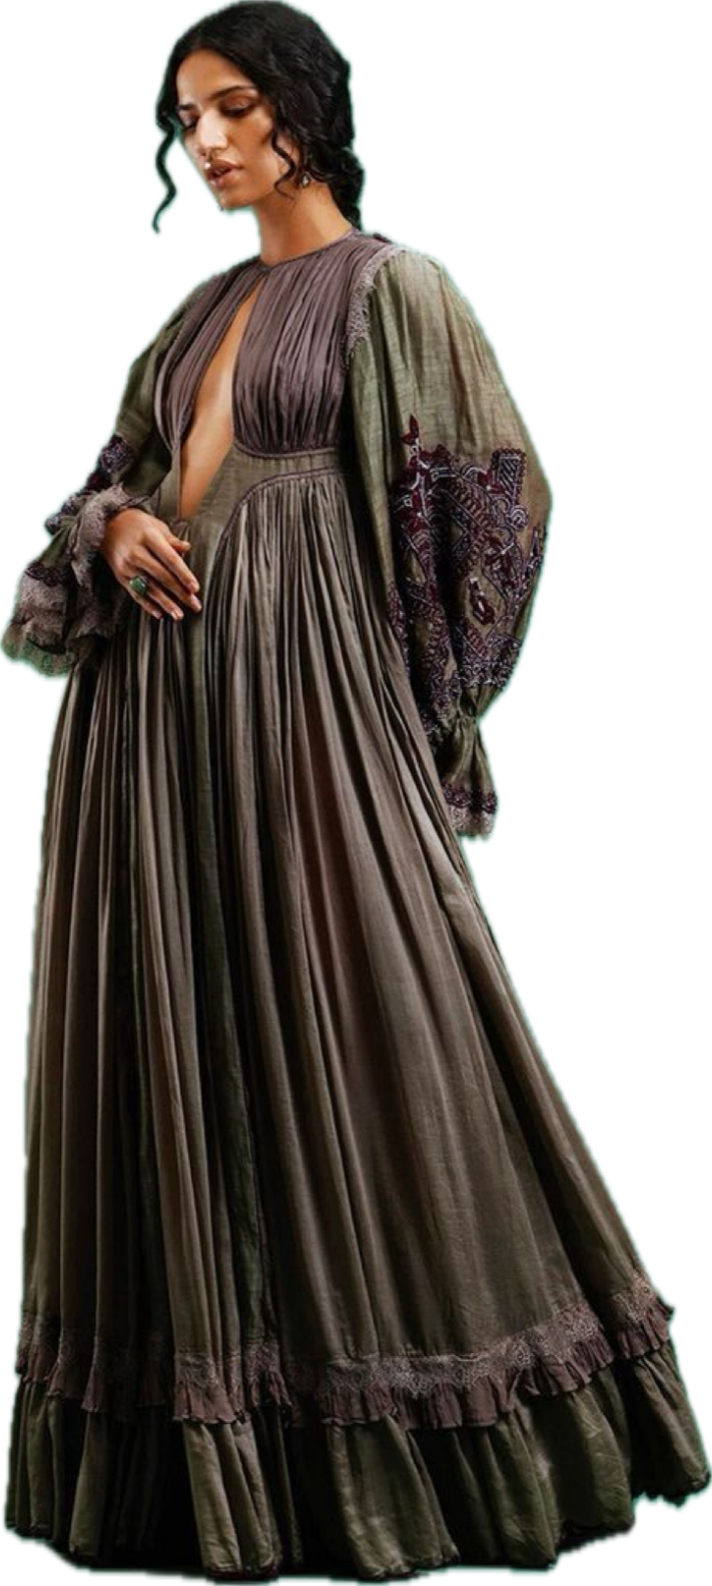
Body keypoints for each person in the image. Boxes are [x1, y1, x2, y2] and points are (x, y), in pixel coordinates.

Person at [1, 3, 710, 1579]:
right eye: (185, 116)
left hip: (312, 729)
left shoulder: (398, 291)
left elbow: (494, 500)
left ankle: (435, 1448)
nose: (203, 140)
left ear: (303, 110)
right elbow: (107, 479)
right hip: (146, 736)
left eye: (232, 106)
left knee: (383, 1025)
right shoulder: (193, 317)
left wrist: (409, 719)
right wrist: (116, 527)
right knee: (176, 1042)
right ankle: (206, 1472)